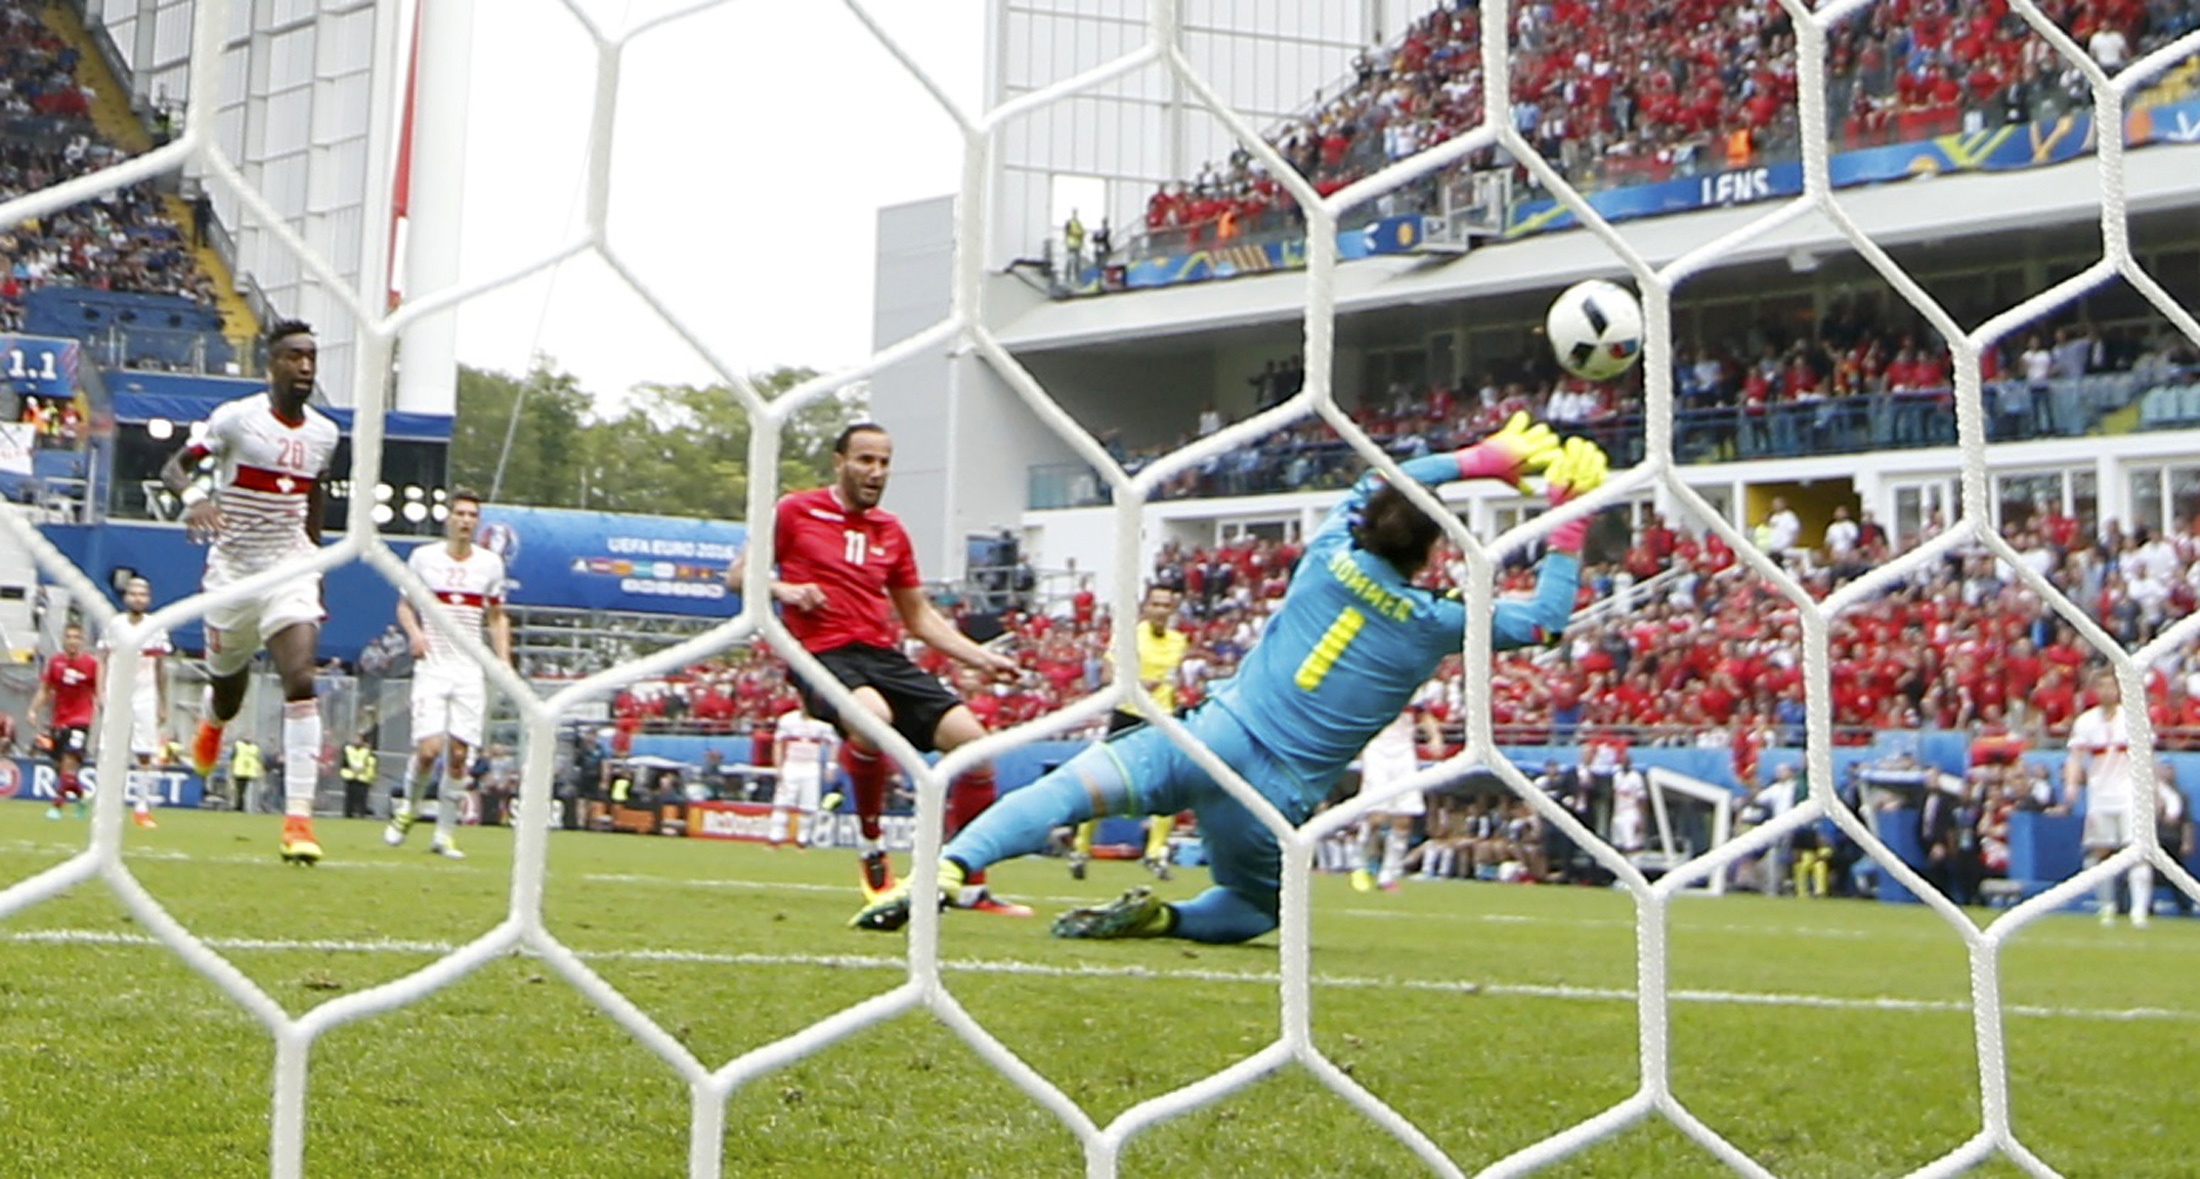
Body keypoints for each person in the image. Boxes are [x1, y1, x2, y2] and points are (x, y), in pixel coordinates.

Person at [854, 415, 1603, 940]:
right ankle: (1168, 917)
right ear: (1430, 560)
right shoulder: (1435, 619)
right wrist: (1567, 523)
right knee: (1251, 908)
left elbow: (1384, 480)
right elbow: (1544, 620)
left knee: (1058, 793)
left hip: (1206, 735)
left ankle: (949, 869)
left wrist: (1478, 459)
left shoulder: (1327, 554)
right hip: (1269, 794)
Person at [729, 422, 1029, 915]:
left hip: (881, 655)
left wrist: (981, 656)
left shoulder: (890, 531)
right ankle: (871, 845)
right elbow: (739, 575)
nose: (876, 472)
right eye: (866, 460)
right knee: (873, 718)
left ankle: (972, 886)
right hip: (820, 654)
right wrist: (784, 590)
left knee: (976, 746)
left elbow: (918, 617)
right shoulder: (795, 510)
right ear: (839, 462)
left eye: (884, 462)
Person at [160, 319, 341, 864]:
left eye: (311, 356)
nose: (305, 366)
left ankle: (298, 822)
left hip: (290, 568)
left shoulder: (325, 434)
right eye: (293, 357)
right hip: (234, 574)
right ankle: (213, 724)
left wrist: (318, 561)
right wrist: (195, 497)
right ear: (272, 365)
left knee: (302, 679)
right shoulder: (236, 420)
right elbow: (173, 466)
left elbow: (313, 499)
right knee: (229, 688)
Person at [385, 489, 510, 859]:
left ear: (478, 521)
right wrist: (416, 635)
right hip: (434, 665)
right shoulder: (424, 558)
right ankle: (407, 808)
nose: (466, 520)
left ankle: (444, 834)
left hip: (469, 668)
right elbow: (406, 606)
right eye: (460, 513)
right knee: (428, 750)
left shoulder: (490, 565)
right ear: (449, 518)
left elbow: (497, 616)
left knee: (458, 756)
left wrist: (502, 659)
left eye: (472, 515)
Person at [1068, 583, 1188, 882]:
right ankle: (1081, 847)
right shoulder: (1129, 636)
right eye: (1156, 604)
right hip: (1128, 714)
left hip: (1162, 718)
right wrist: (1137, 684)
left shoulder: (1179, 641)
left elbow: (1175, 680)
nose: (1161, 610)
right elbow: (1108, 676)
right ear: (1146, 608)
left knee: (1170, 786)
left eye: (1166, 605)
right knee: (1106, 783)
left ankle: (1156, 853)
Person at [2063, 669, 2149, 927]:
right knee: (2101, 852)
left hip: (2130, 792)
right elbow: (2076, 757)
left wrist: (2151, 790)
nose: (2106, 692)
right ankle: (2107, 908)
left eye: (2110, 686)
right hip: (2100, 793)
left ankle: (2139, 911)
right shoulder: (2086, 722)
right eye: (2100, 687)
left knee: (2138, 850)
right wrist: (2071, 784)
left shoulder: (2133, 717)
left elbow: (2146, 756)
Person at [99, 576, 171, 828]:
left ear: (149, 599)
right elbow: (103, 659)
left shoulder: (155, 627)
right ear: (125, 596)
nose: (138, 598)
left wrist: (163, 701)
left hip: (145, 695)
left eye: (143, 594)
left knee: (144, 752)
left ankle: (142, 806)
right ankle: (108, 806)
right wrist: (101, 692)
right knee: (110, 751)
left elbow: (161, 667)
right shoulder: (114, 624)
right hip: (117, 693)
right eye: (133, 594)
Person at [1350, 704, 1444, 893]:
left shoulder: (1412, 688)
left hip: (1404, 756)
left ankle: (1388, 876)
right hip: (1377, 752)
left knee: (1403, 820)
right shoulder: (1373, 687)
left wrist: (1435, 738)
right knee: (1377, 817)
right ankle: (1359, 865)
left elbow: (1424, 715)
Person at [28, 621, 98, 820]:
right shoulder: (56, 662)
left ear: (83, 641)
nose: (73, 641)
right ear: (64, 640)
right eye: (69, 637)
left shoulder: (91, 664)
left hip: (81, 720)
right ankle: (82, 795)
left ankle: (57, 806)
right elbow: (45, 689)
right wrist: (34, 710)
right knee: (62, 769)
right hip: (60, 720)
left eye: (77, 637)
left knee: (69, 761)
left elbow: (100, 692)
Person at [771, 706, 839, 848]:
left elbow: (834, 743)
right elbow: (778, 743)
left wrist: (831, 765)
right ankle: (775, 837)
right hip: (791, 764)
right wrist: (778, 767)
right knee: (782, 803)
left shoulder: (823, 723)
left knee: (808, 805)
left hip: (811, 766)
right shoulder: (788, 720)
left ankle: (803, 840)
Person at [339, 731, 377, 819]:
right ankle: (348, 815)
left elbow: (370, 763)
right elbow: (345, 762)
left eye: (358, 739)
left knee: (362, 800)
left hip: (363, 779)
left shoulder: (367, 751)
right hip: (350, 777)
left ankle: (361, 815)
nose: (356, 740)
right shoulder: (348, 749)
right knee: (349, 799)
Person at [229, 735, 265, 813]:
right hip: (240, 771)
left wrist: (259, 770)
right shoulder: (239, 745)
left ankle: (241, 806)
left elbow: (258, 759)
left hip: (248, 772)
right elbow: (233, 757)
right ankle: (239, 806)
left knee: (242, 791)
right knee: (240, 791)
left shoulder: (254, 747)